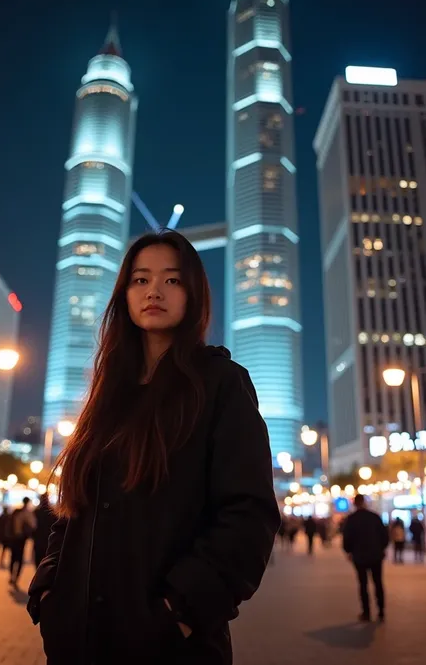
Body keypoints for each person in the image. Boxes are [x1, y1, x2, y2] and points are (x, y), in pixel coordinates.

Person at [27, 231, 281, 665]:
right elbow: (73, 507)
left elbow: (248, 515)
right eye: (141, 280)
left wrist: (178, 614)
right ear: (124, 293)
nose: (155, 291)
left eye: (172, 280)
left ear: (194, 293)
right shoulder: (109, 393)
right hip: (78, 642)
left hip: (171, 648)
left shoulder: (220, 384)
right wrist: (50, 587)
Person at [343, 494, 389, 622]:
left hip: (359, 556)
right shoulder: (374, 517)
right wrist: (382, 548)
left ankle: (366, 612)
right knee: (378, 582)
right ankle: (381, 611)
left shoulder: (351, 519)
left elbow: (347, 537)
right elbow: (384, 535)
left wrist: (349, 551)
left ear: (355, 504)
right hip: (375, 555)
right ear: (364, 502)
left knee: (363, 584)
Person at [9, 497, 37, 588]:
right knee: (20, 559)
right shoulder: (28, 513)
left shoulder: (16, 511)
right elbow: (34, 525)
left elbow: (10, 523)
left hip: (14, 538)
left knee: (13, 557)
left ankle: (11, 576)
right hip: (22, 539)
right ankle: (16, 578)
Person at [33, 494, 55, 569]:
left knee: (38, 558)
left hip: (38, 539)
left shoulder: (36, 512)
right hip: (48, 539)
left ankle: (38, 573)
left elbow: (33, 526)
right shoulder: (52, 512)